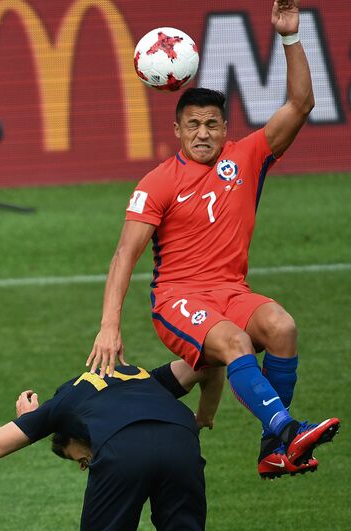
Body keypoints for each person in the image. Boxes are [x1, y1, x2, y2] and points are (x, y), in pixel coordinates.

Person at [86, 0, 340, 479]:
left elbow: (302, 104)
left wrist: (289, 37)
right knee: (236, 342)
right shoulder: (156, 183)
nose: (202, 133)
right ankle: (287, 431)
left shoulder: (246, 158)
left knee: (282, 327)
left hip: (231, 292)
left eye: (212, 124)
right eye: (193, 125)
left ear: (226, 128)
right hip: (178, 300)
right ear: (177, 130)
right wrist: (109, 324)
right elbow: (125, 255)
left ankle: (274, 450)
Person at [0, 362, 207, 531]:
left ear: (72, 435)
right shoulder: (143, 377)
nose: (86, 466)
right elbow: (205, 364)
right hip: (182, 444)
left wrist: (28, 420)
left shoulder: (63, 404)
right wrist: (206, 416)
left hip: (123, 452)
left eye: (82, 461)